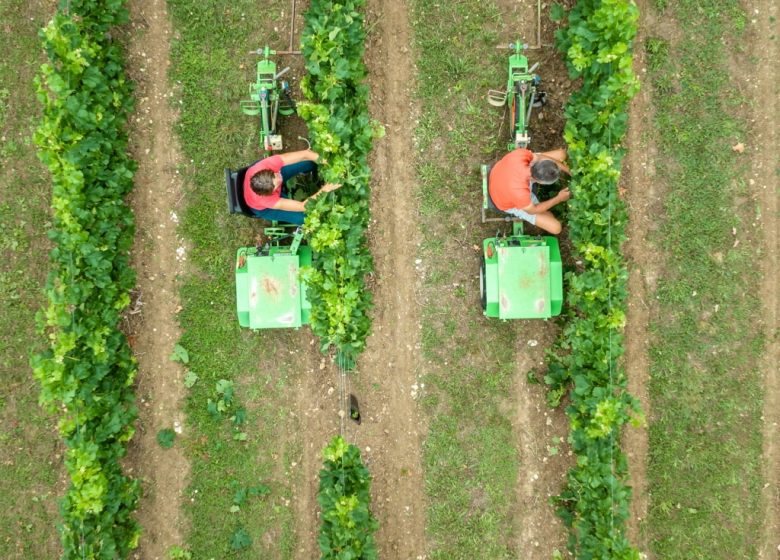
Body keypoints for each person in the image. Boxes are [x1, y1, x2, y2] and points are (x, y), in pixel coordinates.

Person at [243, 148, 341, 225]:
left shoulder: (267, 165)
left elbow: (305, 154)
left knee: (309, 162)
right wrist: (326, 189)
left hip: (266, 179)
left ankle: (313, 169)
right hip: (263, 209)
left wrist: (331, 163)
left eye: (275, 175)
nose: (280, 179)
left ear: (269, 171)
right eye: (277, 184)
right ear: (272, 192)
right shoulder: (267, 201)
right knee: (304, 218)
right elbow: (303, 206)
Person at [488, 147, 571, 234]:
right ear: (540, 182)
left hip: (499, 174)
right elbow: (533, 210)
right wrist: (559, 198)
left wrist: (568, 170)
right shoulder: (521, 195)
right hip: (501, 198)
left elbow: (541, 157)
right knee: (556, 228)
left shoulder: (520, 155)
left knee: (561, 154)